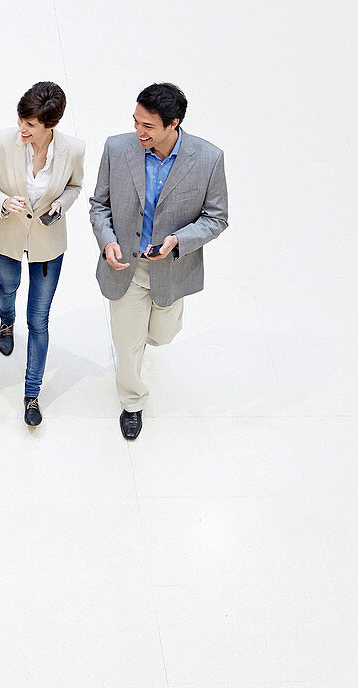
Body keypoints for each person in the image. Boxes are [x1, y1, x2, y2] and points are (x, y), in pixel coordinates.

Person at [89, 82, 228, 440]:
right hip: (125, 268)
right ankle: (132, 401)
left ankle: (147, 336)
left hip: (172, 266)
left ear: (173, 124)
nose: (138, 131)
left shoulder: (209, 159)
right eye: (136, 121)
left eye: (147, 126)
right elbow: (99, 205)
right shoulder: (117, 149)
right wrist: (107, 242)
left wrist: (178, 241)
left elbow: (217, 217)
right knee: (127, 342)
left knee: (163, 336)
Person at [0, 81, 86, 426]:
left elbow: (75, 186)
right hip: (5, 235)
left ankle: (31, 394)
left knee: (39, 319)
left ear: (50, 125)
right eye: (21, 120)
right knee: (8, 286)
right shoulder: (0, 140)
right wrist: (3, 201)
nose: (22, 129)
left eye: (31, 125)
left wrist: (60, 205)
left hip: (47, 243)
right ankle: (5, 321)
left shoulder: (74, 149)